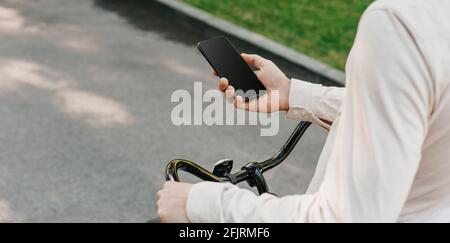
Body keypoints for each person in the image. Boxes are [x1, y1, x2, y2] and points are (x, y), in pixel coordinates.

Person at [157, 0, 450, 223]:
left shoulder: (400, 24)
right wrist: (293, 94)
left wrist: (201, 204)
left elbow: (343, 217)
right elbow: (412, 110)